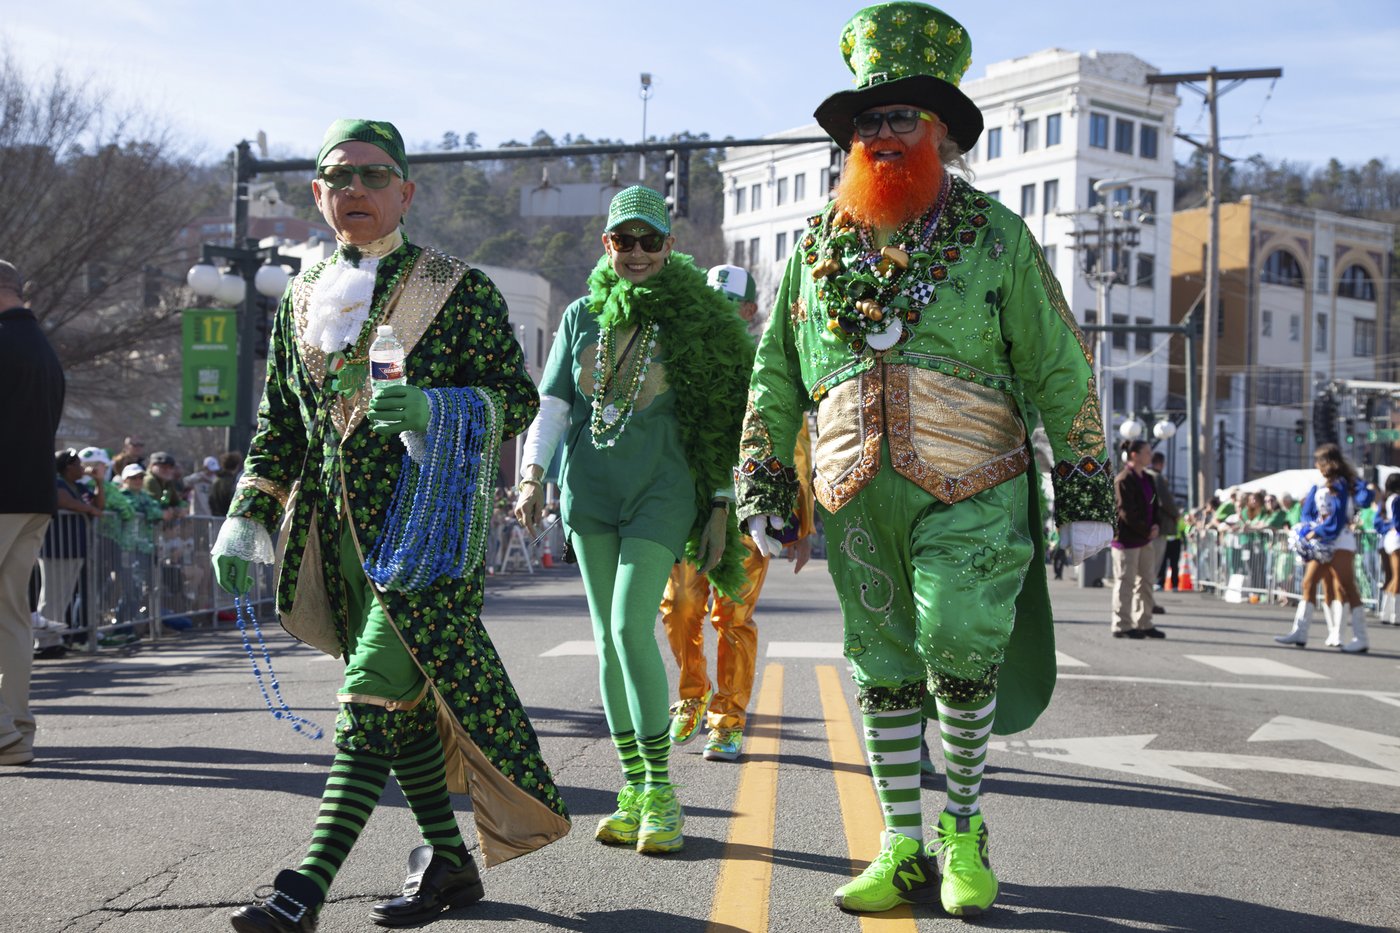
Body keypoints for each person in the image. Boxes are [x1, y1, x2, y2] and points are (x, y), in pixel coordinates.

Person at [735, 3, 1114, 916]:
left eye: (902, 116)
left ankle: (966, 825)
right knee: (881, 661)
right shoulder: (814, 249)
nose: (882, 134)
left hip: (973, 482)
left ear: (939, 129)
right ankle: (901, 841)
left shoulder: (994, 236)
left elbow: (1058, 360)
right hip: (857, 492)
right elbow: (776, 370)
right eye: (868, 121)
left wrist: (1088, 482)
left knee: (955, 637)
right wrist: (762, 478)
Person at [210, 118, 568, 932]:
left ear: (406, 191)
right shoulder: (300, 298)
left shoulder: (458, 286)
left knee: (369, 702)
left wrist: (435, 411)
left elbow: (514, 399)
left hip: (427, 536)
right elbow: (281, 428)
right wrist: (247, 516)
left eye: (374, 178)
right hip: (333, 542)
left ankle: (303, 889)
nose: (356, 192)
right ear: (318, 195)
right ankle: (448, 863)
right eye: (339, 178)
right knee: (399, 715)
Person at [514, 185, 753, 855]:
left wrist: (720, 503)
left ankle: (663, 793)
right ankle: (632, 786)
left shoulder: (695, 316)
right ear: (607, 245)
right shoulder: (581, 316)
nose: (639, 252)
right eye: (626, 240)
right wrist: (533, 472)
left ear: (670, 246)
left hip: (662, 487)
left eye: (651, 240)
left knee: (628, 624)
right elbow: (555, 401)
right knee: (607, 638)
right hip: (588, 490)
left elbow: (720, 415)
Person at [659, 264, 815, 763]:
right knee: (680, 608)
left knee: (733, 615)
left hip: (751, 509)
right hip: (690, 507)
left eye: (730, 308)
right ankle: (691, 694)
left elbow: (795, 442)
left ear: (749, 311)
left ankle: (726, 719)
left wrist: (800, 522)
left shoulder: (765, 365)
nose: (719, 318)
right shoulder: (677, 359)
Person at [0, 259, 66, 767]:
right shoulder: (44, 349)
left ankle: (7, 731)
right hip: (34, 495)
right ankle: (14, 731)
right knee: (13, 618)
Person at [1276, 443, 1374, 652]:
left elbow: (1339, 517)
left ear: (1327, 462)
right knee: (1308, 583)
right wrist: (1308, 530)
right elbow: (1311, 512)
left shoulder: (1343, 484)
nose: (1316, 465)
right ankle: (1300, 632)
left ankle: (1361, 638)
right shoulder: (1323, 484)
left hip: (1340, 541)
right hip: (1323, 542)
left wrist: (1317, 531)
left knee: (1347, 586)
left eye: (1319, 460)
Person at [37, 449, 103, 629]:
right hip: (57, 548)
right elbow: (62, 500)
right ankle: (45, 642)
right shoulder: (57, 482)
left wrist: (99, 482)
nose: (83, 468)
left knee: (64, 596)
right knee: (52, 596)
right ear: (68, 466)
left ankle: (56, 637)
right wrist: (88, 510)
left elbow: (99, 506)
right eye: (78, 464)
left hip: (75, 548)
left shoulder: (80, 486)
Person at [1111, 440, 1163, 638]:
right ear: (1134, 455)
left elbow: (1154, 504)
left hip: (1145, 538)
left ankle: (1144, 621)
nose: (1150, 455)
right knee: (1126, 582)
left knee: (1146, 582)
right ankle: (1122, 624)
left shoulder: (1148, 478)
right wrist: (1146, 529)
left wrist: (1156, 524)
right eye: (1147, 452)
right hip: (1127, 540)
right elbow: (1126, 511)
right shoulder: (1123, 479)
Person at [1148, 452, 1180, 595]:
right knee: (1153, 564)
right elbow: (1166, 501)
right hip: (1157, 525)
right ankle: (1146, 600)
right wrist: (1176, 514)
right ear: (1161, 463)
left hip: (1143, 524)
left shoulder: (1142, 475)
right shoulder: (1157, 477)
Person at [1376, 473, 1400, 625]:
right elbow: (1398, 522)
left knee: (1393, 577)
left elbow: (1380, 522)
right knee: (1397, 576)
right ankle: (1395, 615)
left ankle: (1386, 612)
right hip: (1397, 538)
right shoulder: (1396, 499)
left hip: (1390, 539)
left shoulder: (1386, 499)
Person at [207, 451, 243, 518]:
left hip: (215, 519)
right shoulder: (231, 483)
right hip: (227, 519)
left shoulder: (216, 480)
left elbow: (210, 500)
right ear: (236, 466)